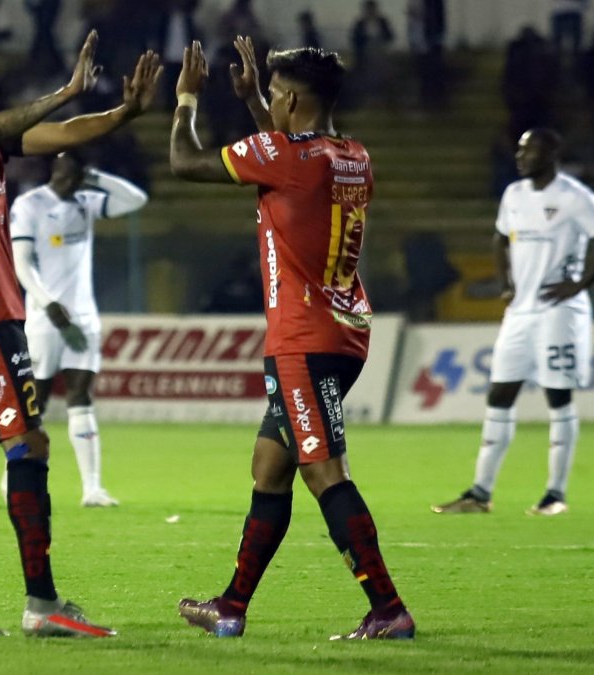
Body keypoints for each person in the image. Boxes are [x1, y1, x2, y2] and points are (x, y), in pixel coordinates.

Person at [0, 17, 161, 637]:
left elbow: (61, 135)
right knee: (30, 444)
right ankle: (43, 605)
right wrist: (67, 88)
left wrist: (123, 111)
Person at [168, 37, 414, 640]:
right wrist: (254, 99)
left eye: (277, 95)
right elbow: (284, 158)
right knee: (270, 467)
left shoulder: (282, 153)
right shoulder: (351, 153)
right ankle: (231, 606)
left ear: (296, 99)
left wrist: (185, 101)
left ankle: (388, 609)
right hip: (345, 328)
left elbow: (184, 162)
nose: (271, 103)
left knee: (323, 470)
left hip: (302, 338)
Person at [432, 128, 594, 517]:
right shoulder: (514, 195)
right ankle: (479, 493)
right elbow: (500, 238)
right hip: (520, 313)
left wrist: (579, 284)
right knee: (499, 395)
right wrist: (506, 283)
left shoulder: (574, 197)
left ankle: (555, 494)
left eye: (530, 150)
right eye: (519, 150)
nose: (521, 157)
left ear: (552, 154)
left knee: (558, 398)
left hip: (559, 313)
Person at [7, 151, 148, 507]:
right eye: (67, 171)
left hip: (83, 317)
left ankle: (92, 489)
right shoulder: (29, 205)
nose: (71, 179)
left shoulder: (86, 202)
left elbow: (137, 200)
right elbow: (22, 263)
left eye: (78, 172)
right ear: (55, 169)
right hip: (44, 318)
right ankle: (14, 476)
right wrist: (46, 302)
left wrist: (97, 178)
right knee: (33, 401)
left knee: (81, 396)